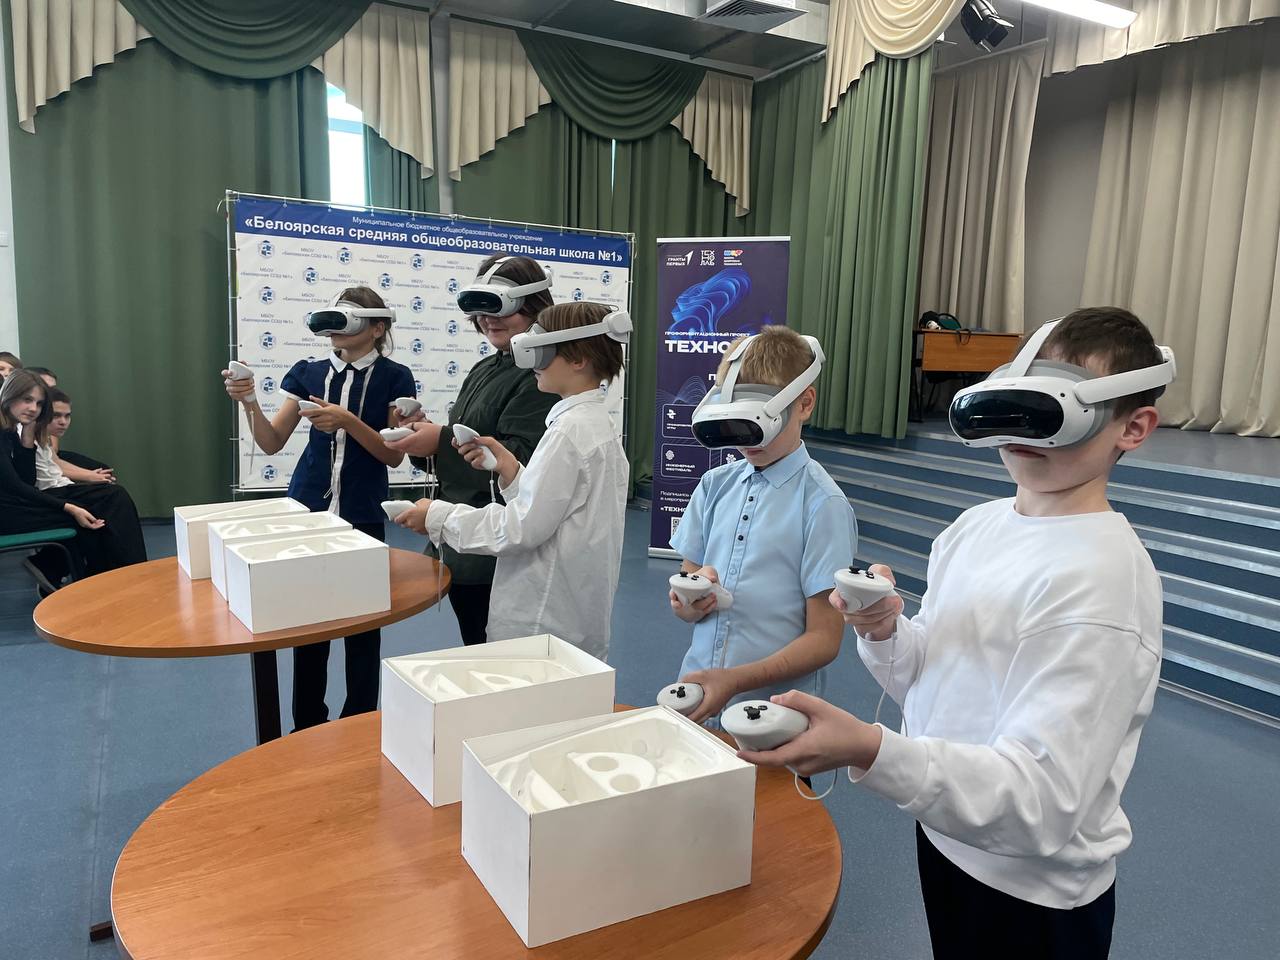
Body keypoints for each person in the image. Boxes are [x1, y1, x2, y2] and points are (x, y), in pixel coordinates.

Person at [740, 308, 1173, 960]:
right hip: (947, 832)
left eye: (1051, 410)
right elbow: (929, 681)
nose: (1022, 430)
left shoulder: (1104, 583)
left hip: (1033, 893)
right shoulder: (975, 527)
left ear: (1132, 428)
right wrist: (885, 631)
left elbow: (1042, 803)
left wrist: (870, 749)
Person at [222, 286, 416, 731]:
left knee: (364, 626)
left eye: (349, 319)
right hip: (308, 512)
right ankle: (307, 725)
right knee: (309, 624)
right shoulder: (307, 372)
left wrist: (348, 421)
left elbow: (392, 457)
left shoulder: (395, 377)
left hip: (363, 512)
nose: (335, 329)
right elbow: (271, 442)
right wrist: (249, 401)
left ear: (377, 328)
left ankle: (360, 723)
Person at [394, 302, 629, 660]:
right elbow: (558, 508)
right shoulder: (593, 424)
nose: (531, 362)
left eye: (542, 351)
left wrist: (438, 517)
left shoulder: (568, 433)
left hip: (542, 621)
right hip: (570, 612)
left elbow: (520, 529)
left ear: (579, 359)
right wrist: (512, 470)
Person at [667, 326, 858, 723]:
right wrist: (690, 602)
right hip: (697, 698)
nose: (746, 439)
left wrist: (734, 681)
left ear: (804, 403)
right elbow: (688, 587)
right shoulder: (714, 485)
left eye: (758, 421)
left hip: (773, 718)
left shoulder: (823, 505)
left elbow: (824, 639)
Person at [386, 254, 559, 646]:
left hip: (496, 552)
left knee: (500, 655)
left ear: (533, 305)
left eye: (500, 307)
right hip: (461, 543)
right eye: (480, 309)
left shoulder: (541, 376)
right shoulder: (486, 368)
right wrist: (423, 438)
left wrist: (439, 440)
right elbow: (463, 444)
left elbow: (522, 464)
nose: (488, 319)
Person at [1, 370, 145, 590]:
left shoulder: (11, 431)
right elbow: (16, 486)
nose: (33, 408)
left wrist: (28, 434)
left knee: (94, 513)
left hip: (14, 506)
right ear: (9, 396)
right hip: (7, 514)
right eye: (27, 400)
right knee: (91, 512)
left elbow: (26, 480)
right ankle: (118, 581)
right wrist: (68, 507)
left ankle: (113, 582)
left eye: (39, 404)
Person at [38, 387, 115, 484]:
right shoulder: (31, 438)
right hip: (50, 488)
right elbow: (51, 470)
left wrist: (93, 474)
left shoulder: (45, 436)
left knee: (106, 475)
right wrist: (90, 476)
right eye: (56, 415)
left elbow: (55, 460)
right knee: (113, 490)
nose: (63, 422)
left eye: (67, 416)